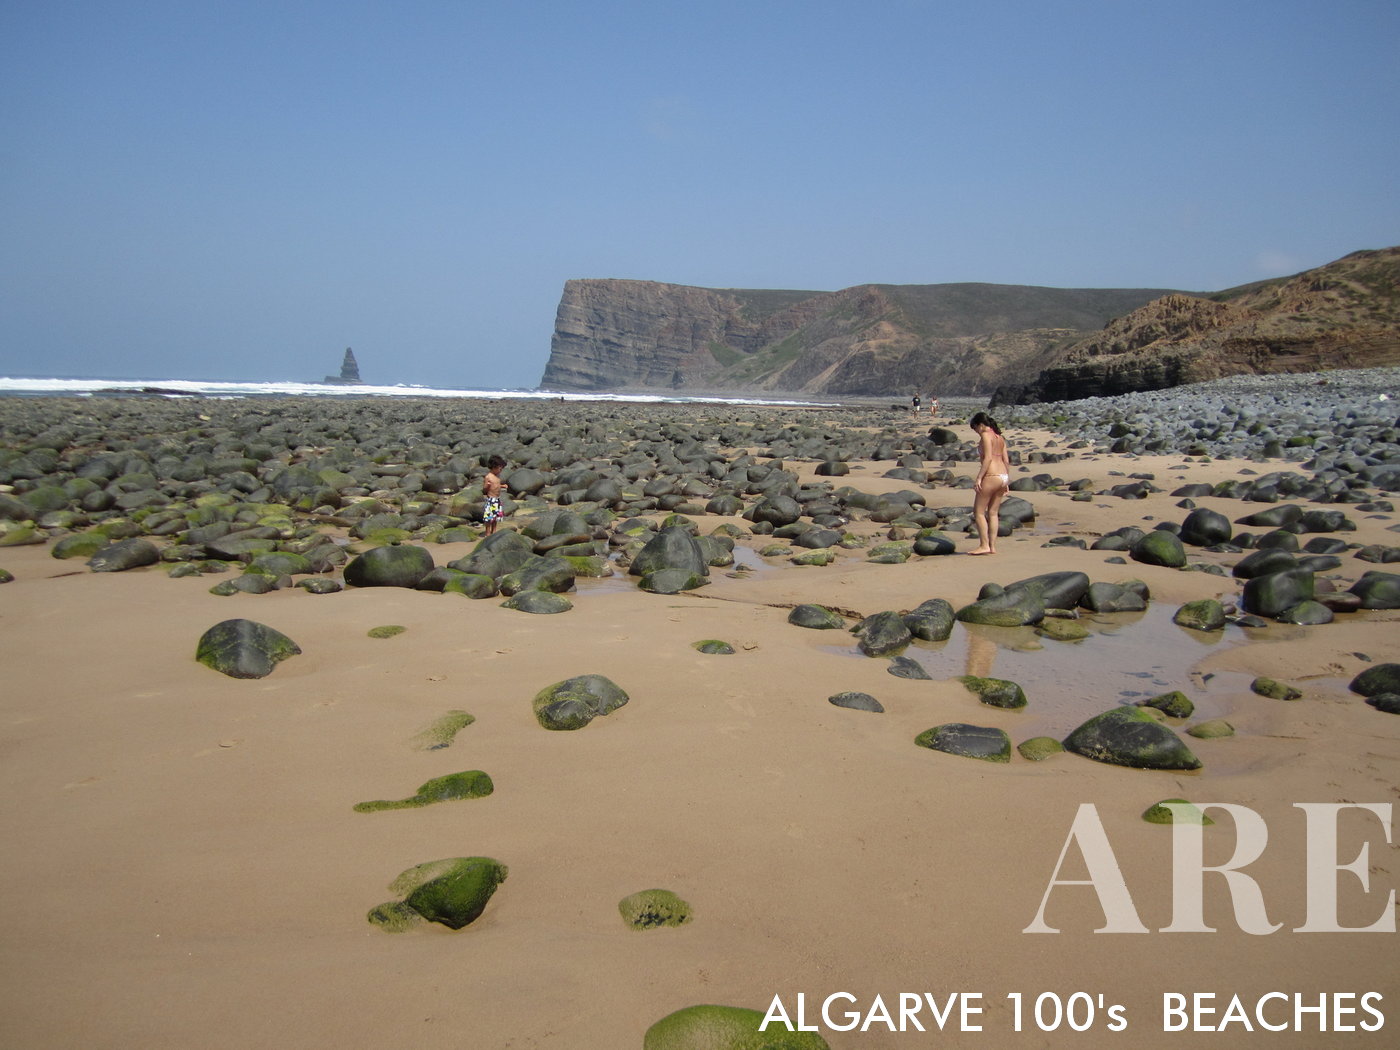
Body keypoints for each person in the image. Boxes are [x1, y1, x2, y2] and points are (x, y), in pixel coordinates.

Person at [969, 411, 1008, 555]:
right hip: (1003, 476)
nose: (977, 432)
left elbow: (988, 459)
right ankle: (992, 547)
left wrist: (979, 477)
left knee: (978, 512)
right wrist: (1007, 481)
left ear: (981, 425)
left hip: (991, 475)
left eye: (975, 429)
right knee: (993, 513)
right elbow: (1006, 460)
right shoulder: (1000, 437)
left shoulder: (986, 436)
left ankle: (984, 545)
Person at [482, 455, 508, 536]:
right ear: (494, 467)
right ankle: (487, 532)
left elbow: (496, 485)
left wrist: (502, 486)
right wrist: (487, 486)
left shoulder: (497, 477)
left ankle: (494, 531)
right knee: (489, 517)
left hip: (497, 499)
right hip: (491, 499)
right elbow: (484, 489)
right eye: (500, 468)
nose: (500, 470)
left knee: (495, 517)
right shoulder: (488, 477)